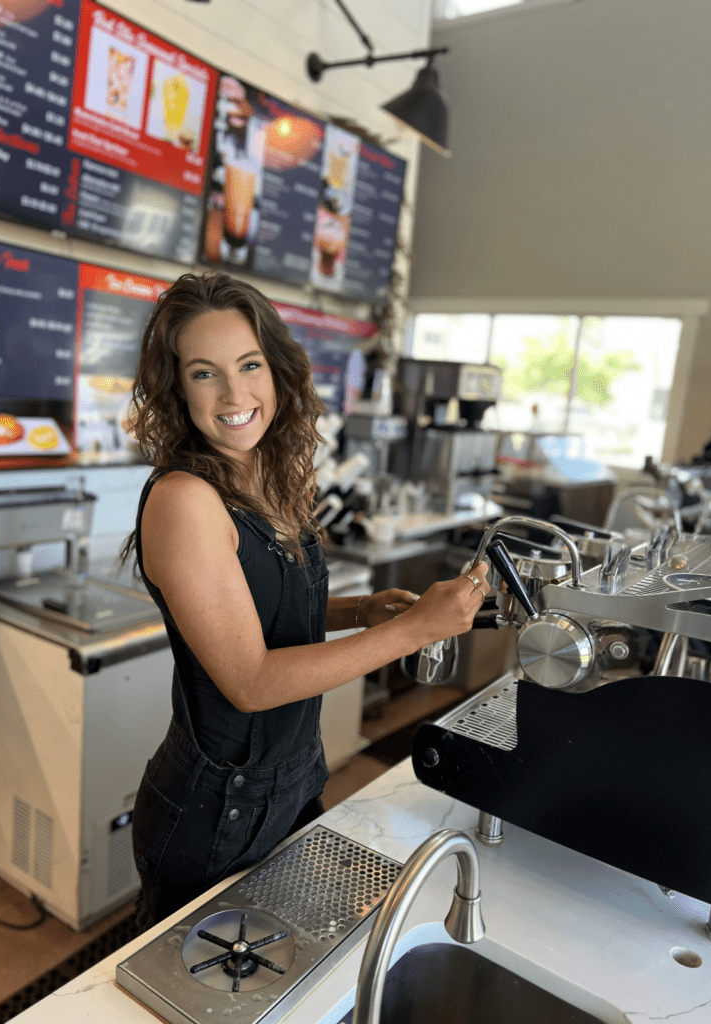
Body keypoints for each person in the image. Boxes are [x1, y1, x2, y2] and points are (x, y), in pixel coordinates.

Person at [120, 271, 490, 928]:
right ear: (177, 388)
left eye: (249, 364)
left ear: (277, 368)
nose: (235, 393)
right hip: (217, 810)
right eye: (204, 373)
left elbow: (262, 611)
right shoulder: (185, 500)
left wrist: (360, 611)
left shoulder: (262, 473)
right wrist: (415, 631)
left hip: (292, 781)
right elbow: (250, 679)